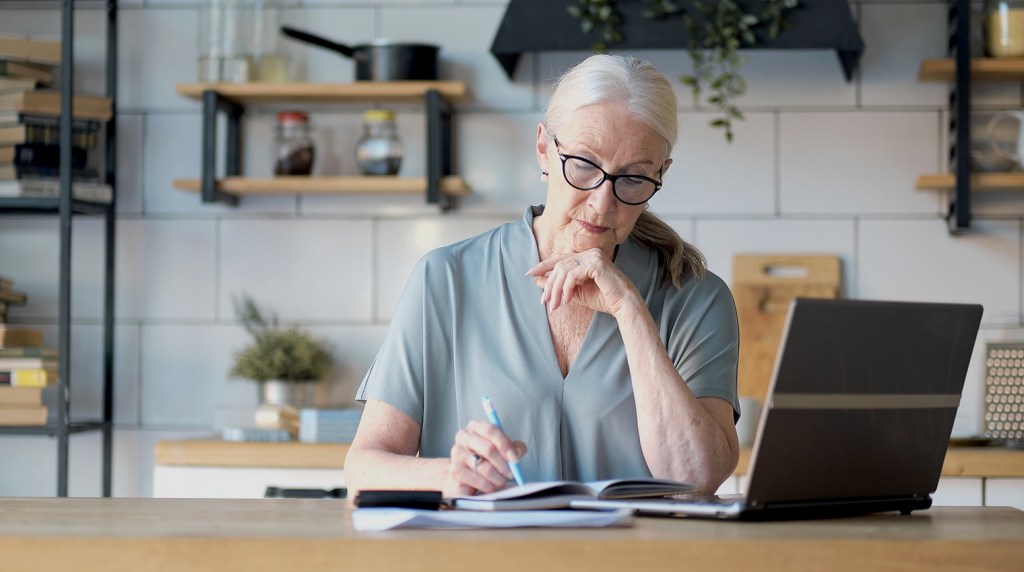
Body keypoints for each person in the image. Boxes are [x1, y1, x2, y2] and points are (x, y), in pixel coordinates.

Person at [344, 53, 740, 498]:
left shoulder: (696, 297)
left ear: (661, 175)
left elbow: (697, 476)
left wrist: (630, 311)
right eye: (584, 165)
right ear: (543, 149)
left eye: (633, 179)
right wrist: (445, 476)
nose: (602, 205)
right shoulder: (446, 279)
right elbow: (363, 465)